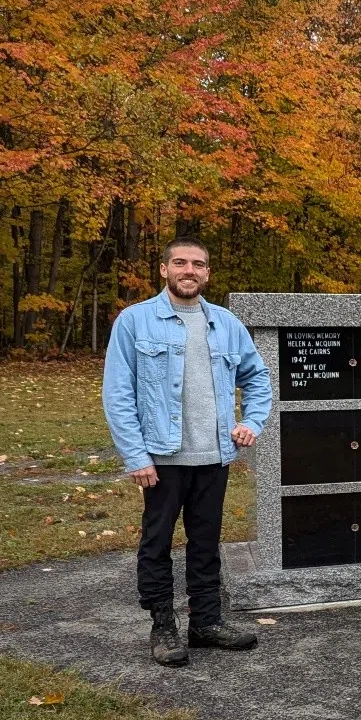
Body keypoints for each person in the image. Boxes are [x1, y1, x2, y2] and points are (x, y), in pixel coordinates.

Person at [102, 237, 273, 667]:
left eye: (198, 264)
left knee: (206, 543)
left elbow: (258, 378)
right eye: (180, 263)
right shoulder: (135, 321)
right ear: (164, 270)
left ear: (207, 273)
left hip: (214, 456)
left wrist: (251, 423)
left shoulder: (225, 323)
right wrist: (136, 456)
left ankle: (206, 623)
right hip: (161, 459)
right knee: (156, 543)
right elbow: (118, 394)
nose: (189, 270)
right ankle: (163, 627)